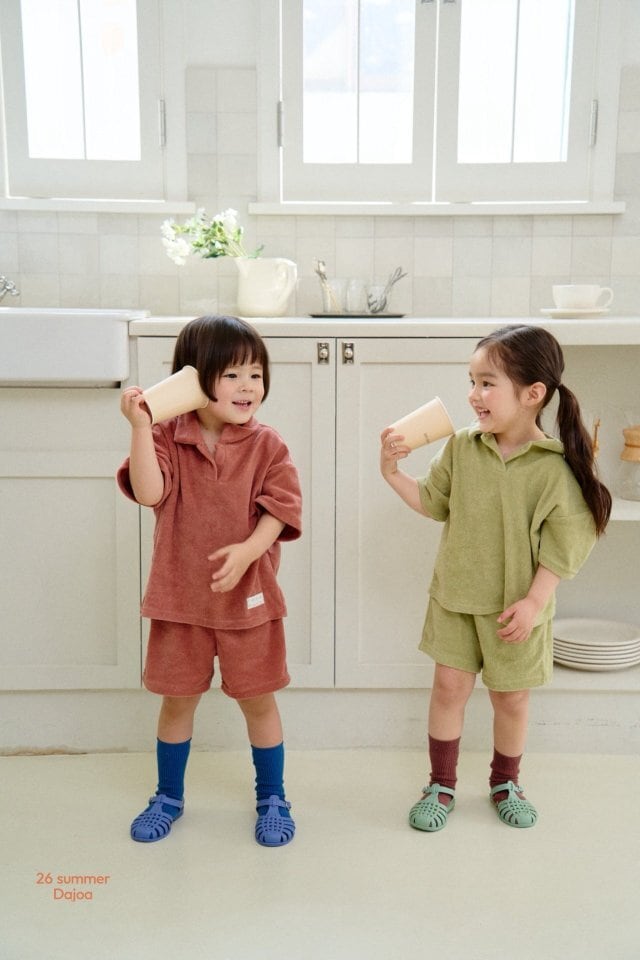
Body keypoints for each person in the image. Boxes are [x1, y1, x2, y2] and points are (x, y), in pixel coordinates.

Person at [380, 324, 611, 831]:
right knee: (447, 689)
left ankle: (506, 782)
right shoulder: (463, 447)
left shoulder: (554, 468)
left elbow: (566, 544)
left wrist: (534, 602)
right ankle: (441, 783)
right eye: (472, 381)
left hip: (517, 610)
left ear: (533, 394)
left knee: (511, 698)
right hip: (456, 599)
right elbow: (433, 502)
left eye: (487, 383)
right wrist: (394, 473)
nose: (473, 394)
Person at [117, 315, 302, 847]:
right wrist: (140, 428)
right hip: (179, 601)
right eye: (232, 375)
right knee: (177, 701)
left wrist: (248, 551)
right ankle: (168, 796)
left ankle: (273, 798)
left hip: (250, 602)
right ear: (195, 380)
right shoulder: (166, 437)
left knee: (259, 700)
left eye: (256, 375)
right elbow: (149, 493)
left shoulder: (268, 445)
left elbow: (281, 508)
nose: (248, 387)